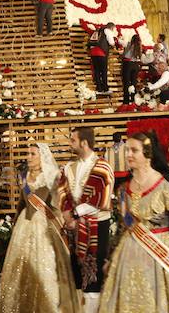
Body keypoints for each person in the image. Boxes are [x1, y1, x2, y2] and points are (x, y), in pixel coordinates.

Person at [99, 132, 169, 313]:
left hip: (160, 256)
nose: (128, 154)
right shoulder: (123, 189)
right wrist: (110, 257)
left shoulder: (164, 186)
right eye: (127, 150)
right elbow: (123, 227)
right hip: (127, 256)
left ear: (148, 153)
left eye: (134, 150)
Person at [0, 143, 80, 313]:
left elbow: (60, 202)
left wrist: (63, 221)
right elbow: (21, 200)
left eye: (33, 154)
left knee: (44, 265)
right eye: (28, 153)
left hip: (44, 225)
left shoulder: (51, 176)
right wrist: (15, 219)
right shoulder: (24, 175)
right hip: (24, 224)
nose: (29, 157)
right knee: (20, 266)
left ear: (42, 156)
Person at [58, 127, 114, 313]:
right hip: (74, 228)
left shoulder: (103, 166)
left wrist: (75, 214)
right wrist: (67, 215)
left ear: (84, 143)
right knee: (75, 272)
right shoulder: (68, 167)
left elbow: (101, 199)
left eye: (72, 140)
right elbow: (63, 192)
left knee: (93, 274)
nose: (69, 143)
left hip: (97, 225)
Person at [88, 23, 117, 94]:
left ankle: (99, 89)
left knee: (97, 71)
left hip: (93, 52)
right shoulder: (107, 30)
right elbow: (111, 42)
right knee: (103, 71)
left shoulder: (98, 30)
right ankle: (105, 89)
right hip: (101, 52)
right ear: (112, 28)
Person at [120, 34, 142, 104]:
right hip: (135, 65)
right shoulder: (139, 47)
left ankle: (126, 101)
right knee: (133, 83)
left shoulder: (129, 44)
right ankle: (133, 100)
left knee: (126, 83)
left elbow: (124, 55)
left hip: (128, 64)